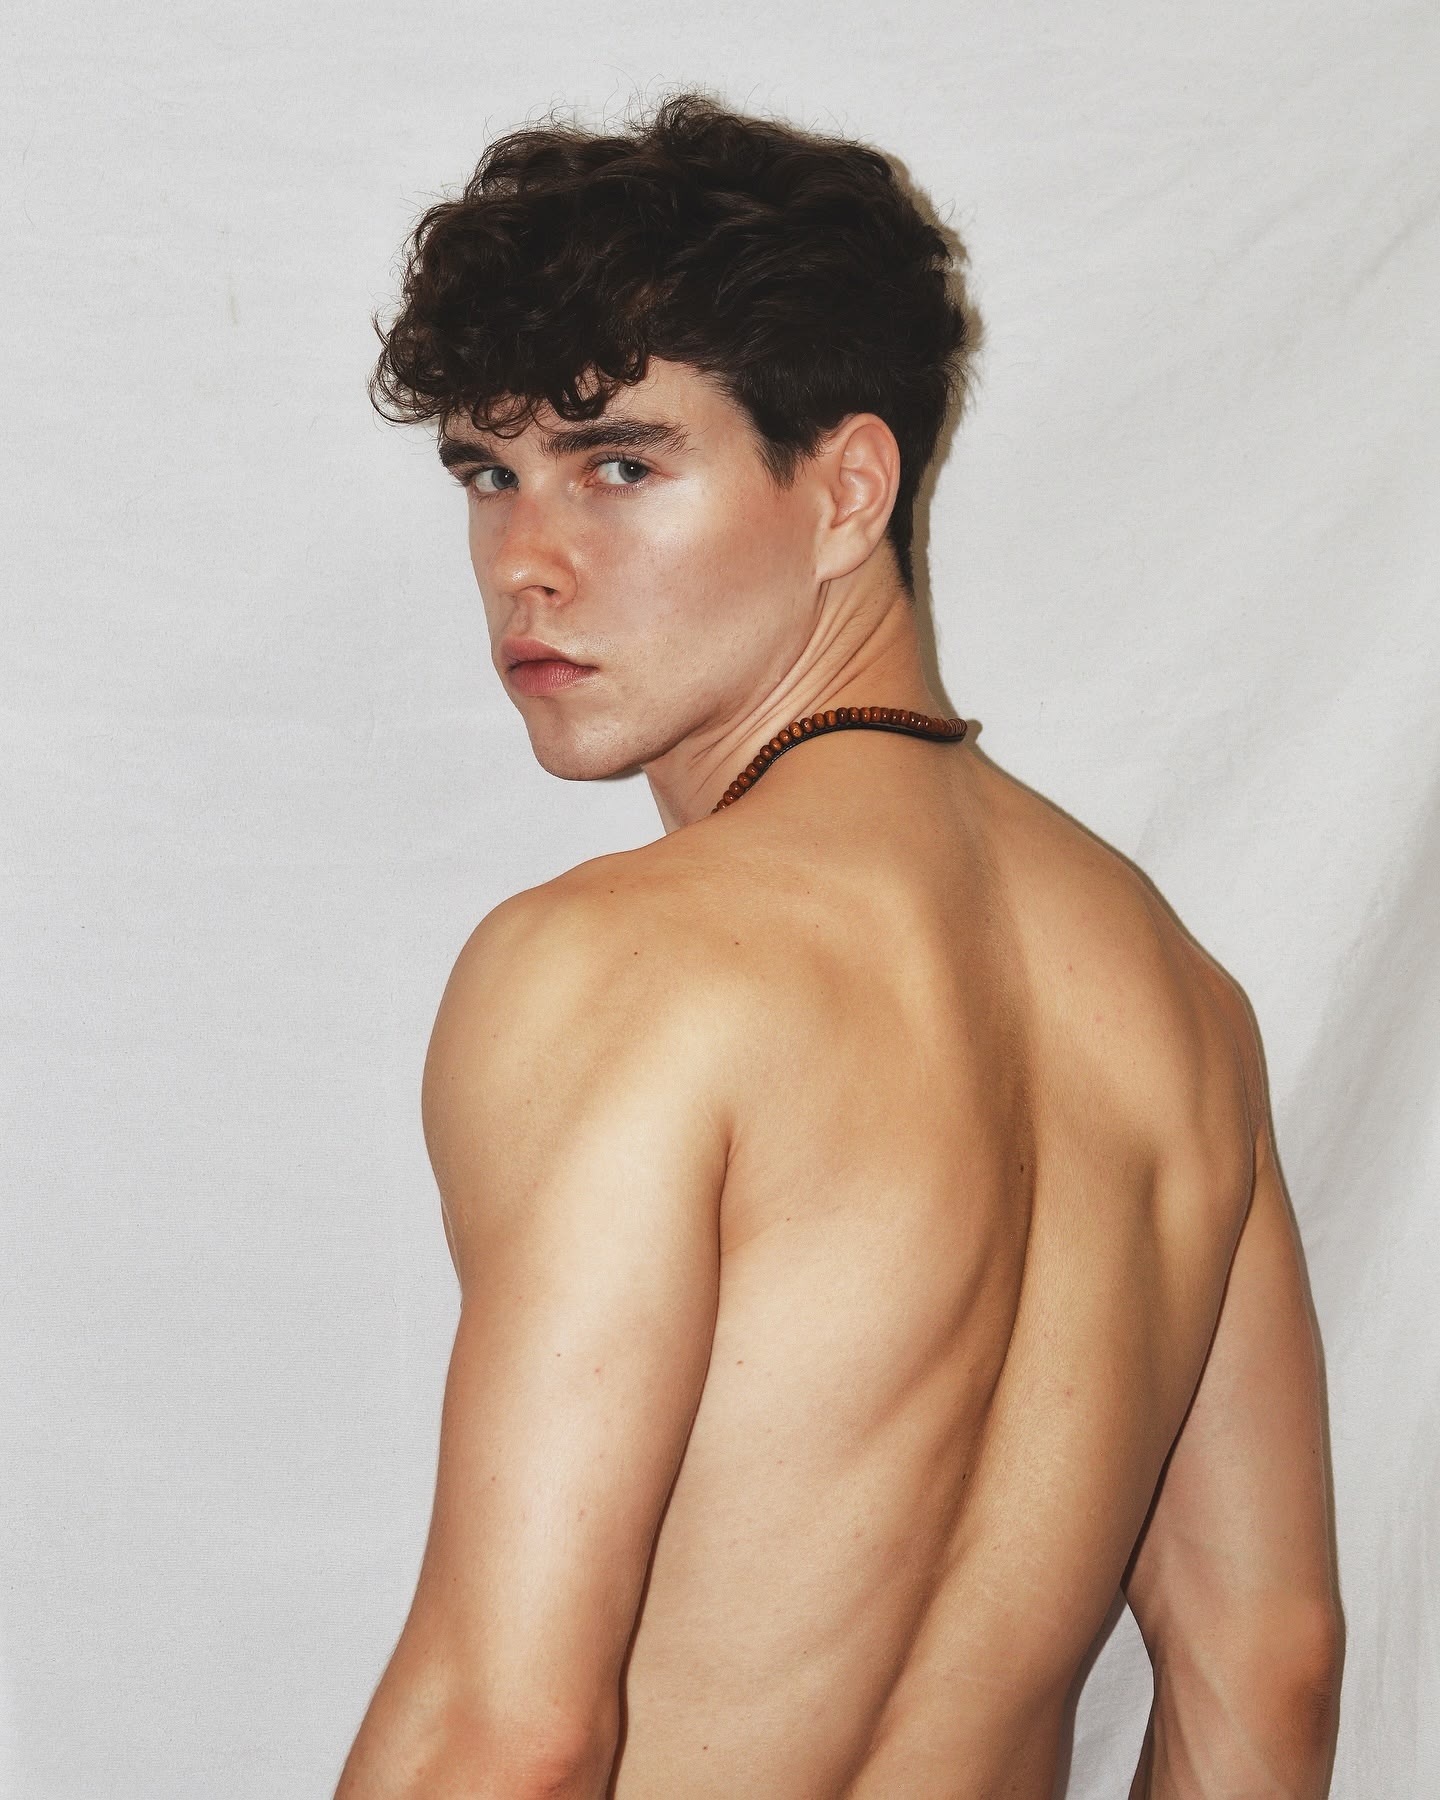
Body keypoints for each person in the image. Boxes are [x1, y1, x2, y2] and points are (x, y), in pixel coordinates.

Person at [335, 94, 1342, 1799]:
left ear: (847, 491)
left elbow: (512, 1734)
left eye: (620, 466)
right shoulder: (1180, 1000)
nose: (527, 564)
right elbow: (1272, 1664)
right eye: (490, 475)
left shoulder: (617, 967)